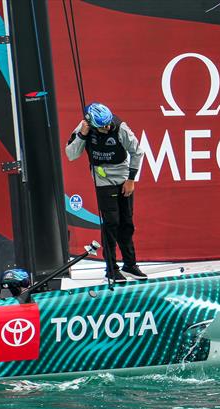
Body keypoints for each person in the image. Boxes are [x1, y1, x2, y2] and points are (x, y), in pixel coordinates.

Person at [66, 102, 147, 282]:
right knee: (111, 223)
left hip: (124, 178)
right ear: (92, 124)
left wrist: (131, 180)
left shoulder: (120, 128)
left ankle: (130, 265)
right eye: (102, 126)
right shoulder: (84, 128)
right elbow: (71, 155)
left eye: (108, 123)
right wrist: (82, 135)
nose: (107, 127)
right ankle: (111, 269)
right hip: (103, 180)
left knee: (127, 223)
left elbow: (137, 152)